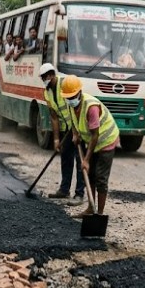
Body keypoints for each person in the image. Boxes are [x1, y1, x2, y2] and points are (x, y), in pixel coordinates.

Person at [61, 74, 120, 217]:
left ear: (79, 92)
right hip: (93, 141)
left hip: (106, 140)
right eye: (67, 97)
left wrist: (86, 159)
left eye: (72, 96)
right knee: (90, 175)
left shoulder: (91, 106)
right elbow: (74, 122)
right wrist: (75, 134)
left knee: (100, 178)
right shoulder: (71, 104)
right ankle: (90, 208)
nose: (70, 99)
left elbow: (95, 135)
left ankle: (98, 214)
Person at [39, 63, 85, 205]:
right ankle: (64, 190)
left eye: (45, 77)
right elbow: (54, 116)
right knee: (66, 158)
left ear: (51, 75)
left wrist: (76, 132)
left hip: (79, 127)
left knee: (80, 160)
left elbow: (77, 105)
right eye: (42, 78)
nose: (44, 80)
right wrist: (56, 139)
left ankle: (79, 194)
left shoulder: (65, 84)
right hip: (66, 128)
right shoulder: (47, 92)